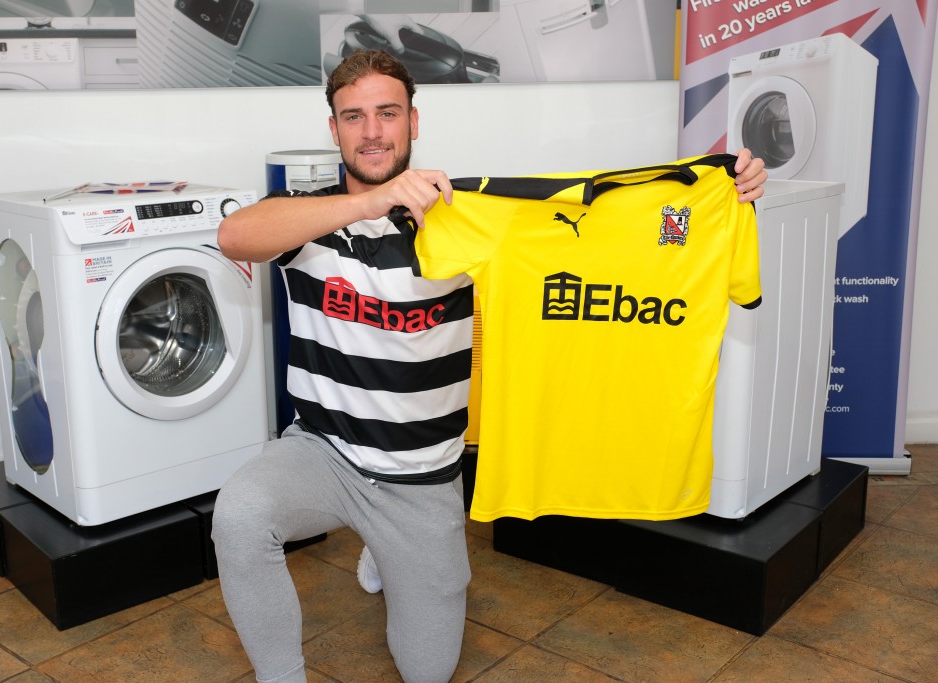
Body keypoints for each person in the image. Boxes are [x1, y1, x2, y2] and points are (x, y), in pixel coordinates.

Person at [212, 49, 767, 683]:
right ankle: (279, 676)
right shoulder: (310, 221)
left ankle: (385, 549)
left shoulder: (469, 221)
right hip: (323, 454)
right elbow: (235, 235)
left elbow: (606, 223)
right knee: (240, 516)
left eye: (387, 113)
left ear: (414, 123)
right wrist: (367, 205)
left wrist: (723, 187)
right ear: (333, 128)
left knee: (428, 670)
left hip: (421, 482)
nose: (372, 132)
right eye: (354, 116)